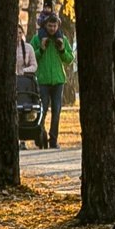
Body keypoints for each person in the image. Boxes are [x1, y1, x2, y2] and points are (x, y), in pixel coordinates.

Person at [31, 15, 74, 149]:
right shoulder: (37, 39)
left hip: (58, 80)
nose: (52, 29)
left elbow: (69, 59)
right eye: (50, 26)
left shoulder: (62, 39)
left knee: (57, 110)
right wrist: (42, 49)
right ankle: (40, 136)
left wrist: (61, 50)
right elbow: (32, 57)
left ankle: (53, 140)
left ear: (58, 26)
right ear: (45, 25)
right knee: (42, 110)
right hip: (43, 80)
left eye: (55, 26)